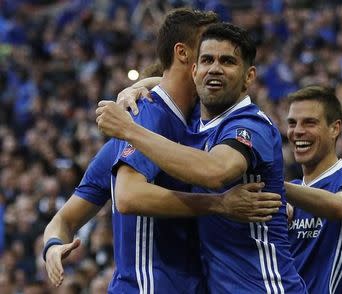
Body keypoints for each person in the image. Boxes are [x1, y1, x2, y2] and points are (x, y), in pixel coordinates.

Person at [44, 9, 282, 293]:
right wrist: (52, 246)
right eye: (206, 49)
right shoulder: (146, 114)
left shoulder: (196, 119)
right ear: (184, 54)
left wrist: (280, 196)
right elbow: (124, 197)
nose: (214, 56)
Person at [96, 22, 307, 293]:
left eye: (228, 61)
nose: (215, 68)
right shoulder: (195, 123)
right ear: (194, 70)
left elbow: (216, 170)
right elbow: (174, 83)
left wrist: (129, 129)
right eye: (207, 60)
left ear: (249, 77)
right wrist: (139, 86)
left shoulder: (251, 124)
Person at [284, 85, 342, 293]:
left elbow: (341, 207)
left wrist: (277, 187)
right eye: (292, 123)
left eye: (310, 122)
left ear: (335, 128)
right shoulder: (291, 193)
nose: (297, 131)